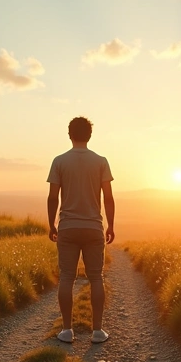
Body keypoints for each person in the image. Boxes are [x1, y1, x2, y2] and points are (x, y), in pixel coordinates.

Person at [47, 116, 115, 344]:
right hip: (93, 227)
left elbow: (53, 197)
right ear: (90, 135)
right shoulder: (101, 161)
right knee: (96, 277)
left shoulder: (59, 161)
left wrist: (51, 224)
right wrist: (111, 225)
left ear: (69, 134)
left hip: (67, 227)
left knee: (67, 277)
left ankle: (67, 331)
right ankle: (97, 331)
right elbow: (108, 197)